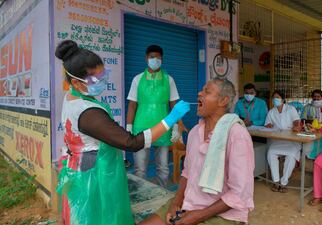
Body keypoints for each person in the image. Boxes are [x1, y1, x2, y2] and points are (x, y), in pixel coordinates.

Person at [55, 40, 190, 225]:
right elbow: (131, 143)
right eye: (96, 79)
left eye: (103, 75)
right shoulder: (88, 111)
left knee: (162, 168)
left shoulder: (74, 96)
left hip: (85, 164)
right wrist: (171, 119)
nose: (102, 81)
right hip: (95, 173)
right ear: (76, 83)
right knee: (101, 214)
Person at [138, 78, 254, 225]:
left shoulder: (237, 135)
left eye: (207, 91)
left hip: (224, 214)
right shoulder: (194, 132)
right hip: (189, 203)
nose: (199, 93)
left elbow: (239, 193)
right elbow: (187, 173)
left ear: (223, 101)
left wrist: (198, 216)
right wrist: (175, 203)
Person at [126, 45, 183, 187]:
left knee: (163, 168)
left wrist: (177, 126)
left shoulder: (169, 80)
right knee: (140, 168)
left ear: (162, 59)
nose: (155, 60)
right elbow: (132, 105)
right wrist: (129, 127)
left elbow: (174, 105)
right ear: (146, 58)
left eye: (158, 57)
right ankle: (142, 195)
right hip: (141, 128)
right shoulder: (137, 79)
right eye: (152, 57)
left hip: (163, 127)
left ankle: (161, 196)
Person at [265, 90, 302, 193]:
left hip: (292, 140)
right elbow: (267, 123)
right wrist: (268, 125)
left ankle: (284, 182)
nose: (275, 100)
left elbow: (296, 120)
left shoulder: (291, 109)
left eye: (277, 98)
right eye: (274, 98)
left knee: (291, 155)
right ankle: (276, 181)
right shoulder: (271, 111)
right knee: (271, 153)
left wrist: (296, 126)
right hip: (278, 140)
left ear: (283, 99)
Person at [302, 89, 322, 159]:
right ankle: (310, 158)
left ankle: (320, 159)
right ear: (312, 97)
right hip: (310, 131)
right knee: (308, 146)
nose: (316, 98)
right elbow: (303, 119)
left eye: (318, 96)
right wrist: (309, 124)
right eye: (314, 96)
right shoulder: (307, 107)